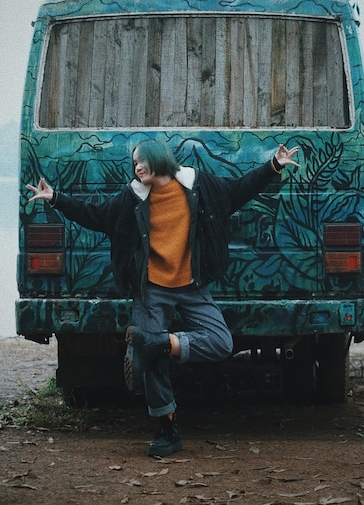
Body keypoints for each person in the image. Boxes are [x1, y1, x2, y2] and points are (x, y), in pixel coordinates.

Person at [27, 139, 300, 457]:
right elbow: (97, 216)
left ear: (159, 160)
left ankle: (160, 342)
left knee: (219, 342)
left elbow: (239, 190)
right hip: (152, 289)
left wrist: (274, 166)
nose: (137, 167)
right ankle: (167, 429)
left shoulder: (199, 185)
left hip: (191, 285)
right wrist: (56, 198)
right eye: (134, 163)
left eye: (142, 161)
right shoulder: (133, 197)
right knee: (150, 361)